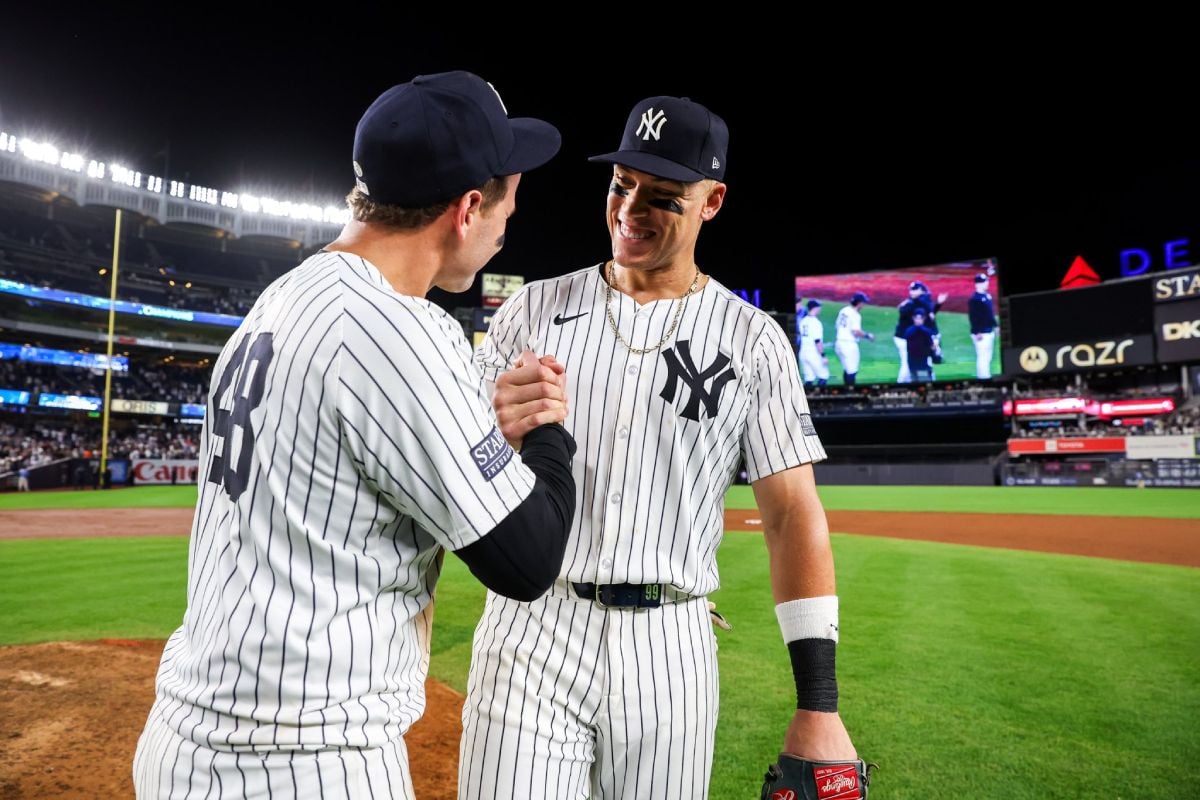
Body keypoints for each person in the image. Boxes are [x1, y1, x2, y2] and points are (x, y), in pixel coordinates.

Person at [133, 71, 578, 800]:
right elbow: (529, 559)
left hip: (188, 739)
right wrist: (547, 427)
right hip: (301, 760)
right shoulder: (401, 329)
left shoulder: (286, 295)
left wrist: (482, 431)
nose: (506, 227)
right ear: (468, 208)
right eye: (507, 206)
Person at [462, 95, 858, 799]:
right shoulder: (531, 310)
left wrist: (819, 703)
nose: (630, 208)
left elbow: (792, 515)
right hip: (532, 630)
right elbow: (455, 466)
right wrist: (493, 425)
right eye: (621, 185)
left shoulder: (751, 339)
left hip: (669, 645)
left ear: (713, 202)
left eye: (663, 197)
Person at [893, 280, 946, 382]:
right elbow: (928, 314)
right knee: (908, 364)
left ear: (921, 291)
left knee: (920, 362)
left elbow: (930, 314)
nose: (911, 292)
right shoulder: (913, 303)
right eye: (911, 290)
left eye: (914, 290)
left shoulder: (917, 302)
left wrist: (937, 305)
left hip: (912, 337)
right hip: (904, 338)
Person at [834, 291, 874, 386]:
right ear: (859, 303)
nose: (864, 305)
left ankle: (846, 391)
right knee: (852, 371)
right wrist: (868, 336)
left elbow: (837, 325)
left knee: (847, 369)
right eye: (863, 303)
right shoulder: (855, 315)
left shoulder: (844, 310)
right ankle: (851, 393)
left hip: (839, 343)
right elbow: (855, 332)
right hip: (849, 345)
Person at [969, 271, 998, 379]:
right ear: (977, 284)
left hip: (989, 331)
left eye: (986, 281)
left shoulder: (987, 296)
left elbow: (990, 314)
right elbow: (973, 317)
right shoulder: (974, 299)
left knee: (988, 357)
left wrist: (996, 326)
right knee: (982, 357)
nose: (986, 283)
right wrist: (976, 332)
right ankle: (983, 378)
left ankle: (985, 375)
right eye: (984, 282)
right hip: (981, 333)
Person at [798, 298, 830, 388]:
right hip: (813, 353)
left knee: (809, 378)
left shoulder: (803, 321)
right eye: (819, 306)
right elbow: (817, 341)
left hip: (803, 353)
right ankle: (821, 398)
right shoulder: (816, 323)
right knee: (824, 376)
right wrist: (823, 356)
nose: (820, 308)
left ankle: (807, 399)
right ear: (815, 308)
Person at [903, 307, 937, 382]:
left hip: (923, 363)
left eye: (920, 318)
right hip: (913, 363)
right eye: (916, 318)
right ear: (913, 318)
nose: (918, 320)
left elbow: (932, 346)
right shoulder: (911, 331)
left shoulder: (926, 331)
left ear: (924, 318)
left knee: (923, 381)